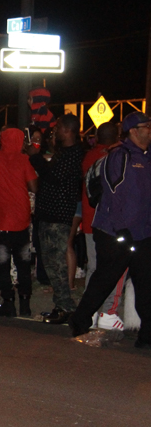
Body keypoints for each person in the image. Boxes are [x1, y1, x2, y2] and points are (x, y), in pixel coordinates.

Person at [70, 112, 151, 349]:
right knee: (106, 278)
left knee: (146, 282)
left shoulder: (147, 157)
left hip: (143, 232)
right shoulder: (120, 156)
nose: (150, 130)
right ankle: (80, 319)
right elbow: (114, 195)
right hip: (115, 231)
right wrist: (121, 228)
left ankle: (147, 335)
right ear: (134, 131)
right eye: (147, 126)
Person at [0, 128, 39, 317]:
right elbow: (34, 186)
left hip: (1, 218)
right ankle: (26, 302)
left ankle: (8, 301)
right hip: (21, 217)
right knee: (23, 262)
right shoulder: (24, 160)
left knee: (2, 264)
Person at [30, 114, 84, 324]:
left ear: (68, 131)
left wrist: (35, 157)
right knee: (51, 262)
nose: (55, 131)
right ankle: (62, 305)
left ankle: (66, 307)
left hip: (57, 215)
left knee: (56, 263)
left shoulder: (74, 154)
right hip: (49, 213)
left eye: (58, 128)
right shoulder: (65, 153)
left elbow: (53, 177)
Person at [79, 121, 125, 329]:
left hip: (90, 221)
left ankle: (90, 311)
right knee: (112, 269)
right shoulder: (116, 158)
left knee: (94, 268)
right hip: (108, 222)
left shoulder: (90, 156)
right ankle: (107, 312)